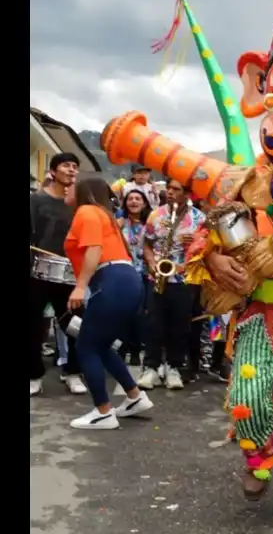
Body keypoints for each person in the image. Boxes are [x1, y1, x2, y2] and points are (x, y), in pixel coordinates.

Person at [63, 177, 154, 429]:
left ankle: (103, 412)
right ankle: (135, 397)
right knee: (100, 345)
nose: (67, 187)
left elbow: (94, 248)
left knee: (86, 347)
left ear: (83, 190)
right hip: (125, 281)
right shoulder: (102, 214)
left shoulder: (87, 211)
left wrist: (80, 286)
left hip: (112, 281)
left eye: (72, 185)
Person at [137, 179, 205, 390]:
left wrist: (195, 242)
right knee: (153, 323)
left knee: (181, 326)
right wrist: (152, 263)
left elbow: (208, 250)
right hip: (158, 276)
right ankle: (151, 368)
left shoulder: (199, 219)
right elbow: (147, 244)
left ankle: (174, 367)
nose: (171, 192)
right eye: (169, 188)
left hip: (185, 279)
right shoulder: (156, 215)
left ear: (188, 194)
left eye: (176, 189)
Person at [29, 152, 87, 396]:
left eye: (75, 166)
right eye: (66, 165)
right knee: (32, 326)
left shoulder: (79, 203)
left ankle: (72, 372)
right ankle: (33, 375)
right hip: (37, 270)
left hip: (70, 272)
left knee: (74, 325)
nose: (72, 170)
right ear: (53, 171)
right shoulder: (36, 200)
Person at [116, 189, 152, 373]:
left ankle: (137, 350)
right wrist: (117, 226)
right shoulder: (120, 223)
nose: (134, 201)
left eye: (138, 198)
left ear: (145, 203)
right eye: (130, 199)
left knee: (139, 314)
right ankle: (121, 348)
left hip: (144, 275)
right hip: (123, 274)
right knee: (122, 313)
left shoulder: (151, 223)